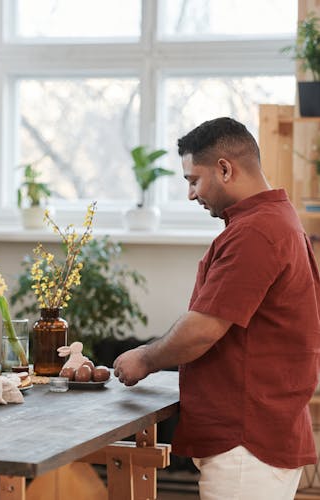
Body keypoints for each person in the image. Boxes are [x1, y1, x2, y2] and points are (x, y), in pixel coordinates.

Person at [113, 117, 320, 500]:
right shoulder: (275, 221)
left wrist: (145, 357)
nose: (191, 194)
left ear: (225, 168)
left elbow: (204, 328)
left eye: (194, 180)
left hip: (247, 441)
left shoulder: (256, 232)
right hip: (259, 434)